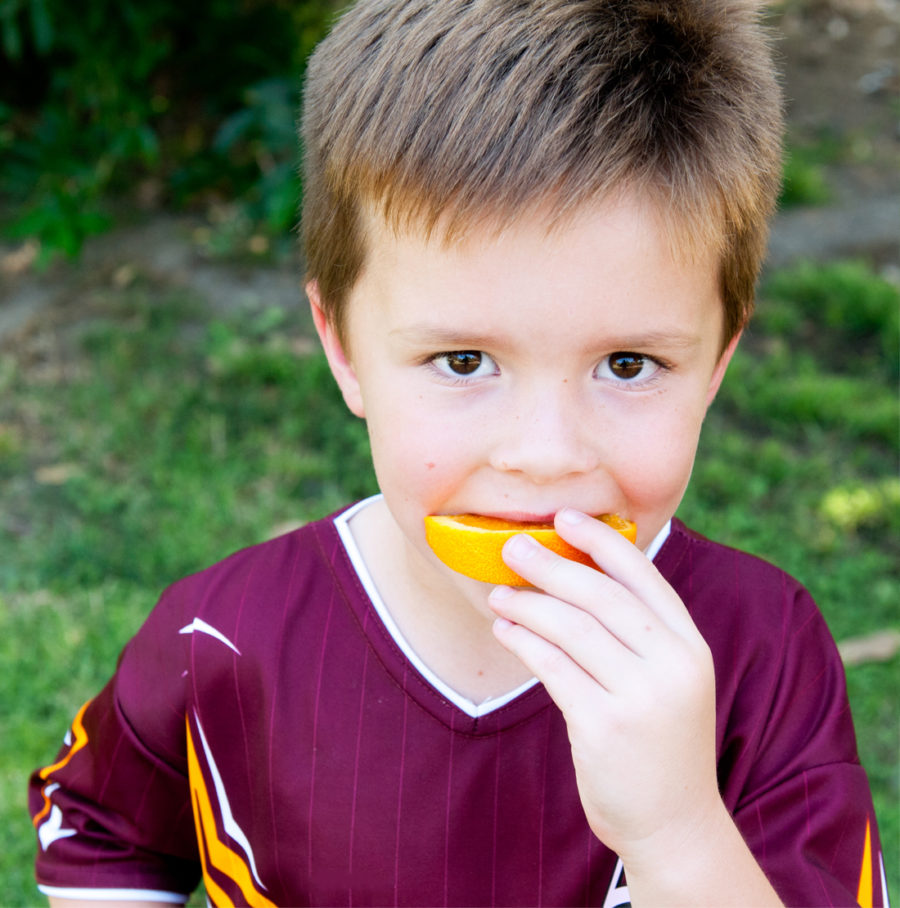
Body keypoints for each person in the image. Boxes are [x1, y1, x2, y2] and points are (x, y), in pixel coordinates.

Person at [29, 1, 889, 906]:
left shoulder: (763, 652)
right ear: (345, 349)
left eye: (628, 364)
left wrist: (675, 826)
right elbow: (100, 830)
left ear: (717, 362)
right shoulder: (223, 636)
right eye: (465, 361)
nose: (545, 454)